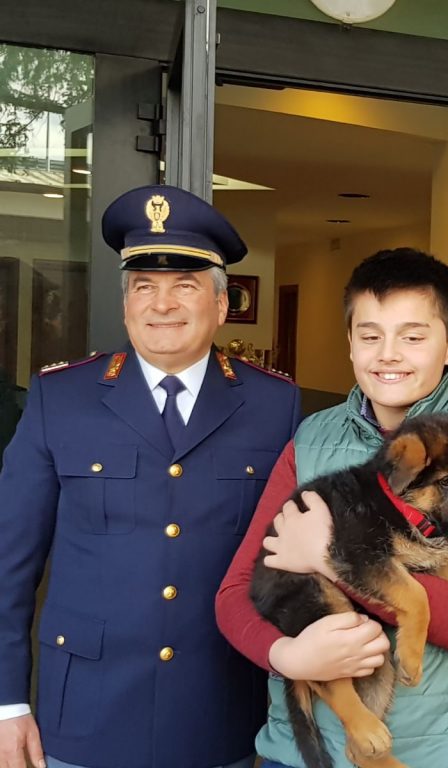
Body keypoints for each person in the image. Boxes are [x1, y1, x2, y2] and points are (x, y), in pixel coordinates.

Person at [0, 184, 301, 768]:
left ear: (220, 305)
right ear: (125, 304)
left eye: (185, 286)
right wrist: (7, 702)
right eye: (144, 287)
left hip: (218, 715)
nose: (162, 304)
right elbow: (9, 561)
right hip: (84, 715)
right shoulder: (59, 399)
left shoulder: (273, 405)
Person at [215, 248, 448, 767]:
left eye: (413, 336)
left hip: (441, 751)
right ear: (350, 343)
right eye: (370, 336)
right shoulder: (312, 438)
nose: (389, 354)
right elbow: (234, 593)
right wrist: (284, 655)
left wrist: (325, 556)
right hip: (302, 752)